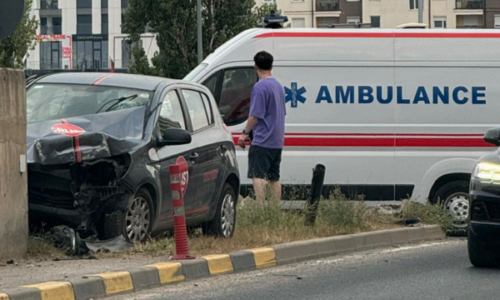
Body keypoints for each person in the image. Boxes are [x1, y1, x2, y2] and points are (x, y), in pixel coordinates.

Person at [238, 51, 286, 203]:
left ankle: (260, 207)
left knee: (257, 175)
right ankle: (275, 209)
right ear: (271, 66)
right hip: (277, 140)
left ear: (255, 66)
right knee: (274, 177)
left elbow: (255, 115)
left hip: (262, 139)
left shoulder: (260, 87)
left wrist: (245, 133)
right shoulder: (278, 86)